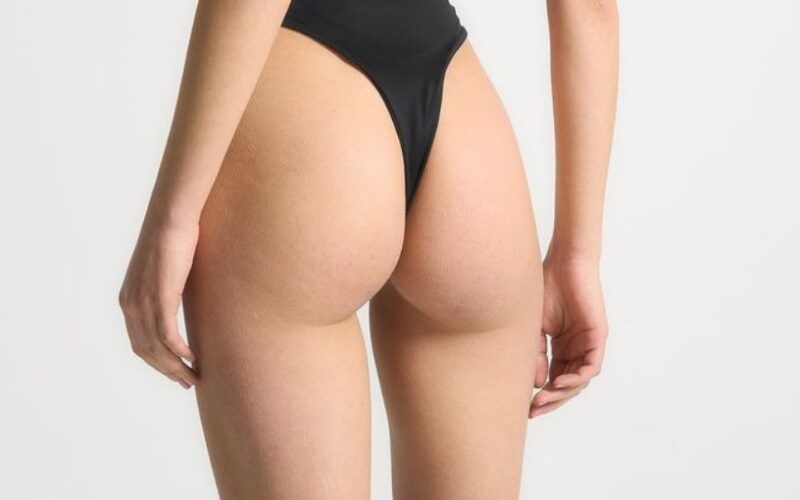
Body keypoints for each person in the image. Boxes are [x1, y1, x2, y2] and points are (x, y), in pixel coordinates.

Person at [118, 0, 618, 498]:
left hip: (307, 120)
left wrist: (173, 218)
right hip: (465, 136)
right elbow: (590, 8)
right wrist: (576, 254)